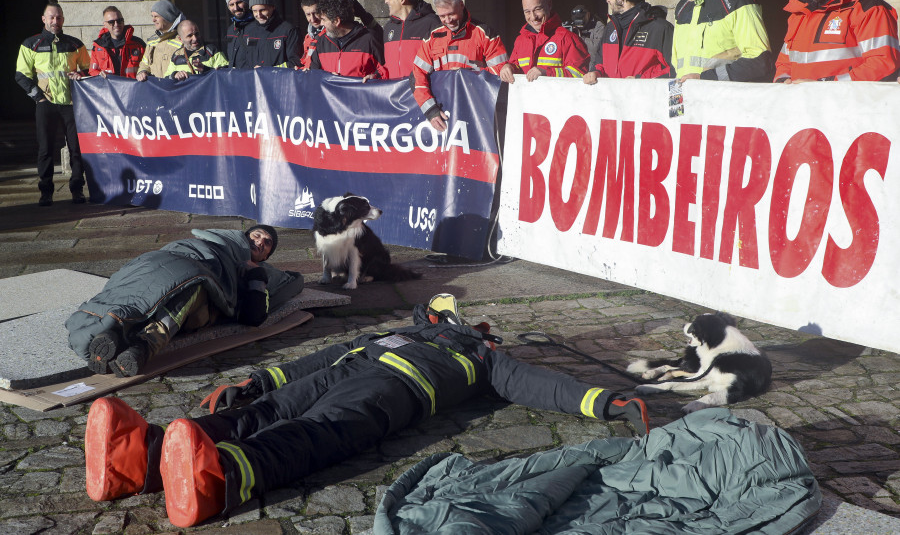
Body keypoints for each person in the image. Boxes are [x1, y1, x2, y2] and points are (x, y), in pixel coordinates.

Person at [83, 293, 650, 527]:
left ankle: (219, 478)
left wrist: (606, 402)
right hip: (346, 370)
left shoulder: (483, 357)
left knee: (314, 433)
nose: (438, 314)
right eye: (434, 310)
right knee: (263, 411)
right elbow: (325, 354)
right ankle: (139, 456)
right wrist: (258, 379)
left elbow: (540, 384)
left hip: (386, 396)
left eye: (448, 313)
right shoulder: (397, 331)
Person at [65, 225, 302, 378]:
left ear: (266, 257)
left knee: (190, 287)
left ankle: (135, 342)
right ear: (242, 237)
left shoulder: (260, 272)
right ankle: (118, 333)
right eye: (256, 235)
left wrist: (254, 275)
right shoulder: (218, 242)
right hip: (166, 258)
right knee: (140, 284)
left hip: (199, 283)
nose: (259, 241)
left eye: (267, 242)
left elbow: (255, 315)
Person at [15, 0, 90, 206]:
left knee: (76, 149)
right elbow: (21, 75)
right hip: (45, 104)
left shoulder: (75, 44)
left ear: (63, 19)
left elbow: (88, 70)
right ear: (44, 19)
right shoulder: (31, 44)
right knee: (45, 149)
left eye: (58, 17)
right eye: (51, 17)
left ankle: (77, 189)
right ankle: (46, 191)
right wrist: (37, 96)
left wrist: (80, 75)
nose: (55, 20)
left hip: (72, 104)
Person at [412, 0, 508, 132]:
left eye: (451, 14)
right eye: (442, 16)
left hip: (478, 112)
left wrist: (468, 73)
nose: (448, 20)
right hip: (442, 114)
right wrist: (431, 111)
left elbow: (501, 72)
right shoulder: (431, 37)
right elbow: (417, 75)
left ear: (461, 5)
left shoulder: (484, 33)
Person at [583, 0, 674, 82]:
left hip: (644, 98)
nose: (607, 0)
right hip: (612, 98)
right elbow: (599, 62)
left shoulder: (660, 29)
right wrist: (595, 72)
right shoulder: (611, 27)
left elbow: (673, 70)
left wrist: (640, 80)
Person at [499, 0, 590, 84]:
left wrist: (548, 73)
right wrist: (508, 67)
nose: (533, 17)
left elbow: (580, 75)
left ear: (549, 5)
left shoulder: (568, 39)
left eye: (537, 9)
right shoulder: (521, 40)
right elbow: (515, 65)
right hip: (526, 99)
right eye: (527, 12)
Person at [308, 0, 388, 80]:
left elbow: (387, 69)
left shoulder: (369, 39)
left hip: (360, 93)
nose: (321, 23)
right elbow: (314, 73)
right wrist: (326, 76)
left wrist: (375, 77)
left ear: (336, 21)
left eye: (323, 19)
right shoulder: (321, 42)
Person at [382, 0, 441, 79]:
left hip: (422, 92)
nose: (386, 0)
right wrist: (377, 75)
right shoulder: (388, 27)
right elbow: (389, 65)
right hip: (394, 93)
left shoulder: (433, 24)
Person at [244, 0, 302, 68]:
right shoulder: (248, 32)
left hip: (279, 80)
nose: (259, 15)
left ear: (273, 7)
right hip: (254, 80)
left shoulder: (288, 30)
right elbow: (245, 62)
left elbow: (295, 62)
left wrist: (269, 71)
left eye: (262, 10)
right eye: (255, 11)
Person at [88, 6, 146, 79]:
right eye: (111, 22)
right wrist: (99, 74)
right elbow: (92, 71)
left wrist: (143, 72)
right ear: (105, 24)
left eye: (119, 21)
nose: (116, 24)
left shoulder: (138, 45)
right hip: (109, 89)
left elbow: (149, 67)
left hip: (133, 89)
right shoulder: (98, 47)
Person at [136, 0, 184, 81]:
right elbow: (144, 64)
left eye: (156, 16)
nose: (153, 20)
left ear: (167, 17)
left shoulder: (183, 39)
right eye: (152, 16)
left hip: (175, 89)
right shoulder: (152, 41)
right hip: (156, 90)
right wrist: (142, 72)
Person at [223, 0, 254, 69]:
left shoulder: (258, 26)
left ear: (247, 2)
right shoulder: (231, 29)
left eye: (239, 2)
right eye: (231, 4)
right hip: (235, 79)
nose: (236, 8)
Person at [299, 0, 323, 69]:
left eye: (315, 13)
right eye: (308, 14)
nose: (312, 19)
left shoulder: (332, 35)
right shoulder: (308, 37)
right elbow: (306, 63)